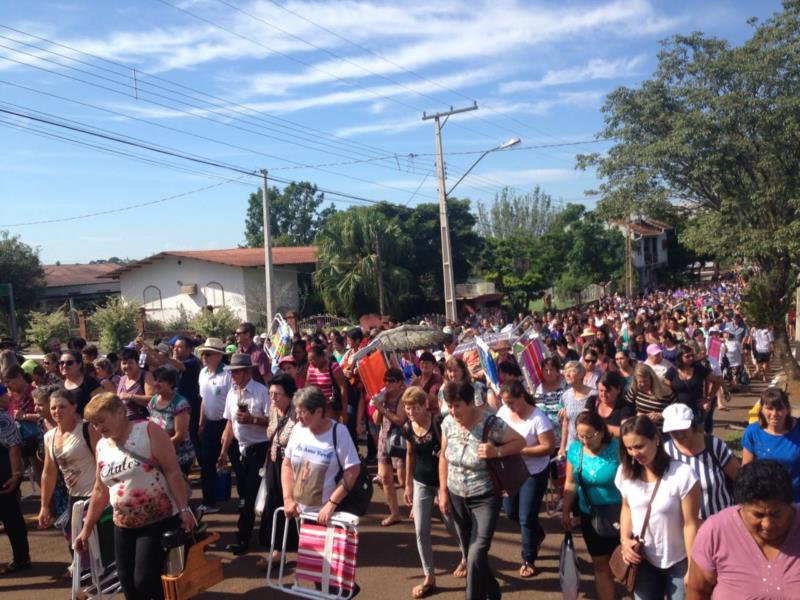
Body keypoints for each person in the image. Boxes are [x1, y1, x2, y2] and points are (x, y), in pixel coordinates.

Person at [74, 393, 194, 600]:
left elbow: (172, 471)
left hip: (158, 518)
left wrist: (184, 510)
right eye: (94, 423)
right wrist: (86, 529)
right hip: (123, 524)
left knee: (145, 580)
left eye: (102, 420)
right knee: (127, 583)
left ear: (120, 412)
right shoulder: (102, 445)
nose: (99, 427)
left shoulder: (148, 431)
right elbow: (100, 489)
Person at [438, 381, 525, 600]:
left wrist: (496, 451)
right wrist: (443, 491)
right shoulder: (447, 423)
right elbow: (443, 455)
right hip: (456, 494)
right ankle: (494, 592)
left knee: (476, 554)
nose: (453, 411)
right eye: (450, 405)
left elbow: (520, 441)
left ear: (470, 403)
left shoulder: (491, 423)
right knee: (469, 552)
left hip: (485, 497)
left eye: (458, 405)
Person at [616, 415, 701, 600]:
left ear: (656, 439)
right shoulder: (625, 473)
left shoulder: (682, 474)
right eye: (629, 448)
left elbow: (690, 524)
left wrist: (693, 567)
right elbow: (627, 508)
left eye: (639, 446)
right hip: (643, 559)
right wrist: (624, 540)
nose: (634, 453)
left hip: (679, 561)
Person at [687, 460, 800, 599]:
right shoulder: (715, 531)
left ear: (790, 505)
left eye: (776, 514)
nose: (768, 524)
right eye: (758, 515)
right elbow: (698, 591)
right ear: (741, 506)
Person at [402, 386, 466, 597]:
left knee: (451, 524)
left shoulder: (439, 423)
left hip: (442, 482)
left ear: (424, 406)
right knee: (421, 530)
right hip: (421, 482)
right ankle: (429, 576)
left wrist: (444, 489)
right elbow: (410, 454)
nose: (410, 412)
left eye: (414, 408)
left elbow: (448, 453)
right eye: (407, 408)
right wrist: (408, 484)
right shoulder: (407, 427)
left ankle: (467, 555)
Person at [497, 380, 555, 578]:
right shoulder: (503, 413)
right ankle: (537, 535)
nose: (508, 406)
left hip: (534, 472)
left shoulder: (538, 419)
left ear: (522, 397)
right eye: (505, 402)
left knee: (526, 517)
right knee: (511, 511)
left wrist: (520, 450)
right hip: (511, 471)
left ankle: (528, 558)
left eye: (511, 402)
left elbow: (548, 447)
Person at [562, 411, 622, 600]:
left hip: (621, 515)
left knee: (627, 563)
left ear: (601, 432)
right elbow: (571, 483)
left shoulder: (618, 448)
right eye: (581, 436)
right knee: (600, 564)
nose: (585, 441)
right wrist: (565, 511)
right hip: (591, 515)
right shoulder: (575, 450)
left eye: (590, 435)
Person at [38, 388, 98, 574]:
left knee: (98, 543)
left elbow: (103, 461)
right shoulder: (49, 437)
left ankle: (101, 580)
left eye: (62, 406)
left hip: (95, 495)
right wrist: (44, 506)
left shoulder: (87, 429)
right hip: (73, 497)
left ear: (74, 407)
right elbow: (48, 473)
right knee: (76, 543)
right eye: (54, 407)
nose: (57, 411)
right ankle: (85, 578)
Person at [282, 386, 361, 526]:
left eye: (302, 412)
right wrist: (288, 499)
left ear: (319, 411)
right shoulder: (298, 430)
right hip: (298, 512)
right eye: (296, 411)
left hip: (327, 515)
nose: (297, 417)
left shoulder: (339, 432)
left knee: (324, 548)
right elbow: (287, 464)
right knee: (304, 548)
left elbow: (352, 470)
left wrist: (331, 504)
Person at [218, 353, 270, 554]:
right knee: (244, 493)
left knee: (253, 494)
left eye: (237, 372)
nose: (233, 376)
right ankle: (251, 534)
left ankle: (246, 537)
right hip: (240, 449)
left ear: (248, 372)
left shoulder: (261, 392)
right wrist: (223, 451)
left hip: (260, 448)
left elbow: (272, 421)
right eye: (231, 372)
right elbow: (230, 424)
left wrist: (253, 420)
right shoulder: (232, 393)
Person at [662, 403, 739, 520]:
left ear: (693, 425)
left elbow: (739, 478)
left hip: (721, 521)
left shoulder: (714, 445)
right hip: (685, 527)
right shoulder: (666, 452)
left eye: (683, 429)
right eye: (673, 431)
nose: (679, 435)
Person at [256, 373, 298, 571]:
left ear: (289, 395)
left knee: (294, 505)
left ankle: (306, 549)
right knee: (274, 504)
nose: (273, 398)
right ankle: (275, 551)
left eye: (277, 394)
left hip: (295, 466)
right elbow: (271, 433)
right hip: (275, 461)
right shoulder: (273, 409)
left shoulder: (299, 413)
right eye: (271, 393)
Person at [742, 387, 800, 502]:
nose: (774, 414)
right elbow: (746, 469)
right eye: (769, 408)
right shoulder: (753, 432)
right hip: (765, 499)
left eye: (779, 409)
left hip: (796, 499)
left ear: (787, 409)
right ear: (761, 409)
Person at [196, 337, 232, 513]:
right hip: (210, 424)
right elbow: (204, 399)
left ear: (218, 356)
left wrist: (229, 426)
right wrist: (201, 423)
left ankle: (244, 499)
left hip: (228, 424)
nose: (204, 357)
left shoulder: (228, 374)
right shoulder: (203, 373)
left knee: (237, 463)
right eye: (203, 354)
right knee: (207, 463)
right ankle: (209, 501)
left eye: (208, 354)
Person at [371, 367, 407, 527]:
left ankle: (415, 506)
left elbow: (399, 419)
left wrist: (381, 408)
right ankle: (394, 513)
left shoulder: (404, 396)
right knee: (385, 478)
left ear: (400, 382)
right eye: (386, 380)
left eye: (391, 380)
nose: (387, 383)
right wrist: (378, 404)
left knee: (403, 478)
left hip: (400, 440)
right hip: (384, 438)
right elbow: (376, 420)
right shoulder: (384, 397)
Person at [0, 384, 29, 575]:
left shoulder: (3, 419)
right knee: (11, 517)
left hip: (3, 475)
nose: (8, 397)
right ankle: (21, 557)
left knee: (11, 517)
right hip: (4, 473)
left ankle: (21, 558)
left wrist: (15, 475)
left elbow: (14, 447)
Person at [148, 366, 195, 476]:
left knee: (177, 491)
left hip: (179, 457)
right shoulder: (154, 400)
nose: (156, 383)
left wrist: (160, 448)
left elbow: (180, 436)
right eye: (155, 380)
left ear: (171, 383)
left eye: (161, 381)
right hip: (159, 455)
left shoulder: (180, 404)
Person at [664, 345, 719, 433]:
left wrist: (708, 398)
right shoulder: (673, 371)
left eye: (692, 355)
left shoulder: (699, 369)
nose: (691, 358)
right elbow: (666, 388)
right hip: (677, 409)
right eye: (687, 356)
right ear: (680, 357)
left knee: (697, 433)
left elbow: (717, 381)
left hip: (695, 409)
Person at [559, 360, 597, 457]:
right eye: (565, 371)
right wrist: (562, 447)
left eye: (571, 371)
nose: (567, 374)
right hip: (572, 445)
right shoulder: (565, 396)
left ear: (581, 374)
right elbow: (565, 422)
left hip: (590, 445)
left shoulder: (593, 394)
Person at [305, 344, 348, 424]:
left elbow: (343, 389)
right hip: (316, 410)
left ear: (321, 356)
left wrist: (344, 412)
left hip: (331, 409)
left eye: (313, 360)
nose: (311, 363)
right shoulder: (311, 368)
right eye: (309, 360)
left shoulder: (333, 367)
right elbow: (307, 386)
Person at [584, 371, 635, 438]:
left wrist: (596, 427)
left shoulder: (625, 407)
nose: (604, 395)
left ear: (618, 390)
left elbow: (625, 431)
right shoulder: (592, 401)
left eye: (607, 391)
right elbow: (583, 422)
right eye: (601, 391)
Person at [626, 363, 675, 431]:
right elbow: (627, 409)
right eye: (640, 382)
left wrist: (661, 416)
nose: (643, 384)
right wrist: (636, 414)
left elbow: (675, 411)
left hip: (660, 430)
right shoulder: (635, 389)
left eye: (645, 381)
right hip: (640, 429)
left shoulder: (665, 391)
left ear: (652, 378)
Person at [116, 347, 155, 422]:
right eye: (124, 363)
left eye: (130, 363)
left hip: (142, 422)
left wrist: (130, 396)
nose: (127, 366)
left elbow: (152, 399)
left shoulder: (146, 376)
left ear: (137, 363)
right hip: (123, 423)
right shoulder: (122, 378)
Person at [411, 351, 443, 416]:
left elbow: (433, 401)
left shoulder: (437, 379)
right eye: (422, 363)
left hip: (433, 415)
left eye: (427, 363)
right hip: (419, 414)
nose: (424, 365)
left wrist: (419, 386)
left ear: (433, 365)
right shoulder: (417, 379)